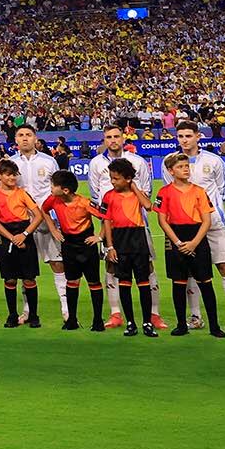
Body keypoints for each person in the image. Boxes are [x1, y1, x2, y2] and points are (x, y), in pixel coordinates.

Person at [85, 123, 163, 330]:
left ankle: (154, 314)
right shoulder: (95, 164)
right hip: (111, 223)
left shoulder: (137, 161)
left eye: (116, 136)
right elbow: (95, 193)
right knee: (112, 266)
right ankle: (115, 313)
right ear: (104, 139)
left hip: (137, 225)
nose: (113, 140)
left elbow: (147, 193)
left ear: (123, 138)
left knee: (147, 268)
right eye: (108, 137)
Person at [176, 120, 225, 332]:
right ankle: (196, 316)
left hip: (214, 223)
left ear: (198, 136)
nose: (184, 140)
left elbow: (223, 193)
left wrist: (208, 212)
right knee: (190, 272)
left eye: (188, 135)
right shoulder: (170, 162)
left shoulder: (214, 161)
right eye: (180, 136)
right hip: (186, 225)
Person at [154, 153, 225, 338]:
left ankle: (214, 326)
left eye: (187, 166)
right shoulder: (164, 192)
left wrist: (194, 243)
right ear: (171, 171)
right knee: (178, 284)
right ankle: (181, 325)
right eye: (180, 167)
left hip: (197, 238)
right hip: (175, 237)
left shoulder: (199, 191)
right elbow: (162, 221)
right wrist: (177, 242)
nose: (185, 169)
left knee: (206, 283)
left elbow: (206, 220)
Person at [10, 125, 68, 323]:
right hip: (22, 222)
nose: (25, 138)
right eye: (21, 135)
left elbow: (58, 190)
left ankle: (66, 308)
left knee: (57, 263)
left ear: (35, 138)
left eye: (28, 135)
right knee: (25, 269)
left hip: (47, 219)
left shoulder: (49, 161)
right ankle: (27, 310)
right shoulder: (11, 163)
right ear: (16, 139)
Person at [99, 158, 158, 338]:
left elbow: (148, 206)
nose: (112, 181)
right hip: (119, 241)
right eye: (111, 178)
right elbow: (106, 221)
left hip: (138, 239)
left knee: (143, 283)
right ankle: (131, 322)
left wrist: (134, 187)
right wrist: (109, 246)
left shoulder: (136, 194)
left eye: (116, 178)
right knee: (124, 283)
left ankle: (147, 322)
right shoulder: (108, 196)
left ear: (128, 178)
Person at [42, 170, 107, 331]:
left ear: (65, 190)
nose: (50, 187)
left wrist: (99, 237)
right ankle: (71, 320)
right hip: (68, 246)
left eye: (53, 185)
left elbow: (106, 217)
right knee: (71, 282)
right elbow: (44, 210)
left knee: (94, 282)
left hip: (86, 245)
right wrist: (53, 230)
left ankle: (98, 320)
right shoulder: (53, 200)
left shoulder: (84, 203)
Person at [0, 159, 45, 328]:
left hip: (24, 234)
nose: (12, 178)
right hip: (5, 236)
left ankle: (33, 315)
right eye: (8, 174)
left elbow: (38, 215)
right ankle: (12, 315)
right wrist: (12, 238)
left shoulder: (22, 193)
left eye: (15, 174)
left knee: (29, 278)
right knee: (10, 279)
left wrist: (25, 234)